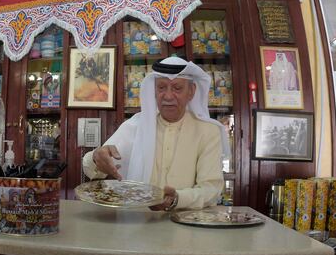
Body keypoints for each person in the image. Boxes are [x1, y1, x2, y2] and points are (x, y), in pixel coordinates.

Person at [82, 57, 227, 211]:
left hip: (184, 227)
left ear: (191, 92)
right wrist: (96, 158)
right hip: (136, 225)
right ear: (154, 90)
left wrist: (177, 199)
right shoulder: (135, 126)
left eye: (177, 88)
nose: (168, 96)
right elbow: (90, 166)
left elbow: (211, 189)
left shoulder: (207, 131)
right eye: (162, 87)